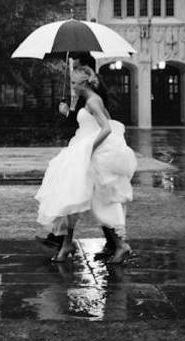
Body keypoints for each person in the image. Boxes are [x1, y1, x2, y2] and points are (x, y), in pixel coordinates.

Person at [34, 65, 137, 264]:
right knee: (71, 193)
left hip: (91, 152)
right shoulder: (87, 100)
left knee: (96, 200)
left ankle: (119, 245)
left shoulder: (93, 101)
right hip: (80, 148)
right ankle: (66, 245)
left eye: (74, 82)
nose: (71, 85)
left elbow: (107, 128)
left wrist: (90, 148)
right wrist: (67, 111)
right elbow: (96, 122)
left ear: (83, 84)